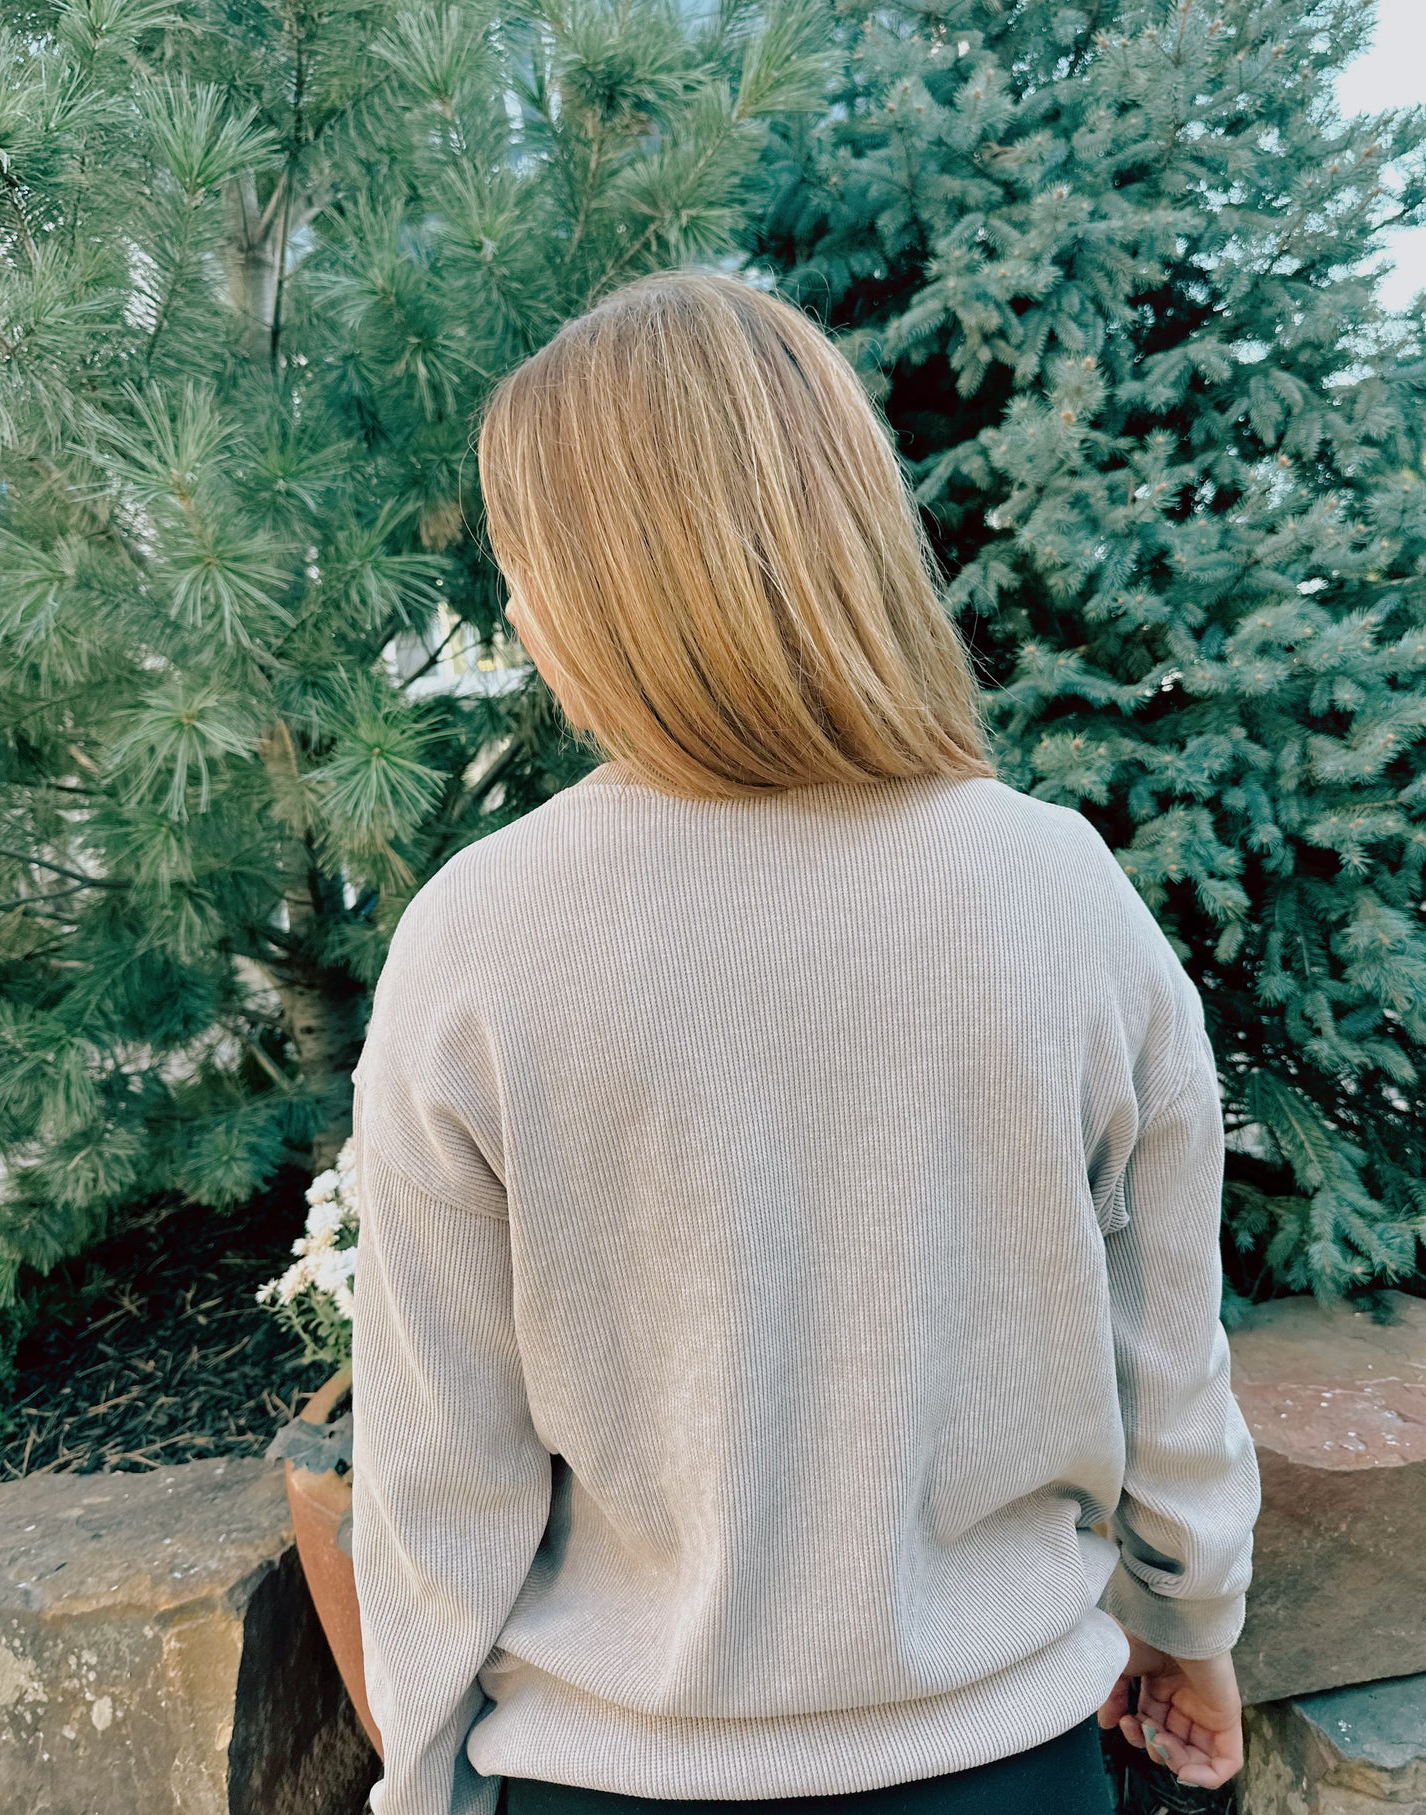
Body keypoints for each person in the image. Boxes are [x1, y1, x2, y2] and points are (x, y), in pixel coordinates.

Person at [348, 270, 1261, 1815]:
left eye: (526, 566)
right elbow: (1160, 1353)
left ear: (597, 585)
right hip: (1002, 1769)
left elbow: (439, 1478)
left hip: (606, 1783)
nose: (516, 612)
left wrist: (421, 1787)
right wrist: (1190, 1624)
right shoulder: (1056, 892)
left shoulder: (476, 941)